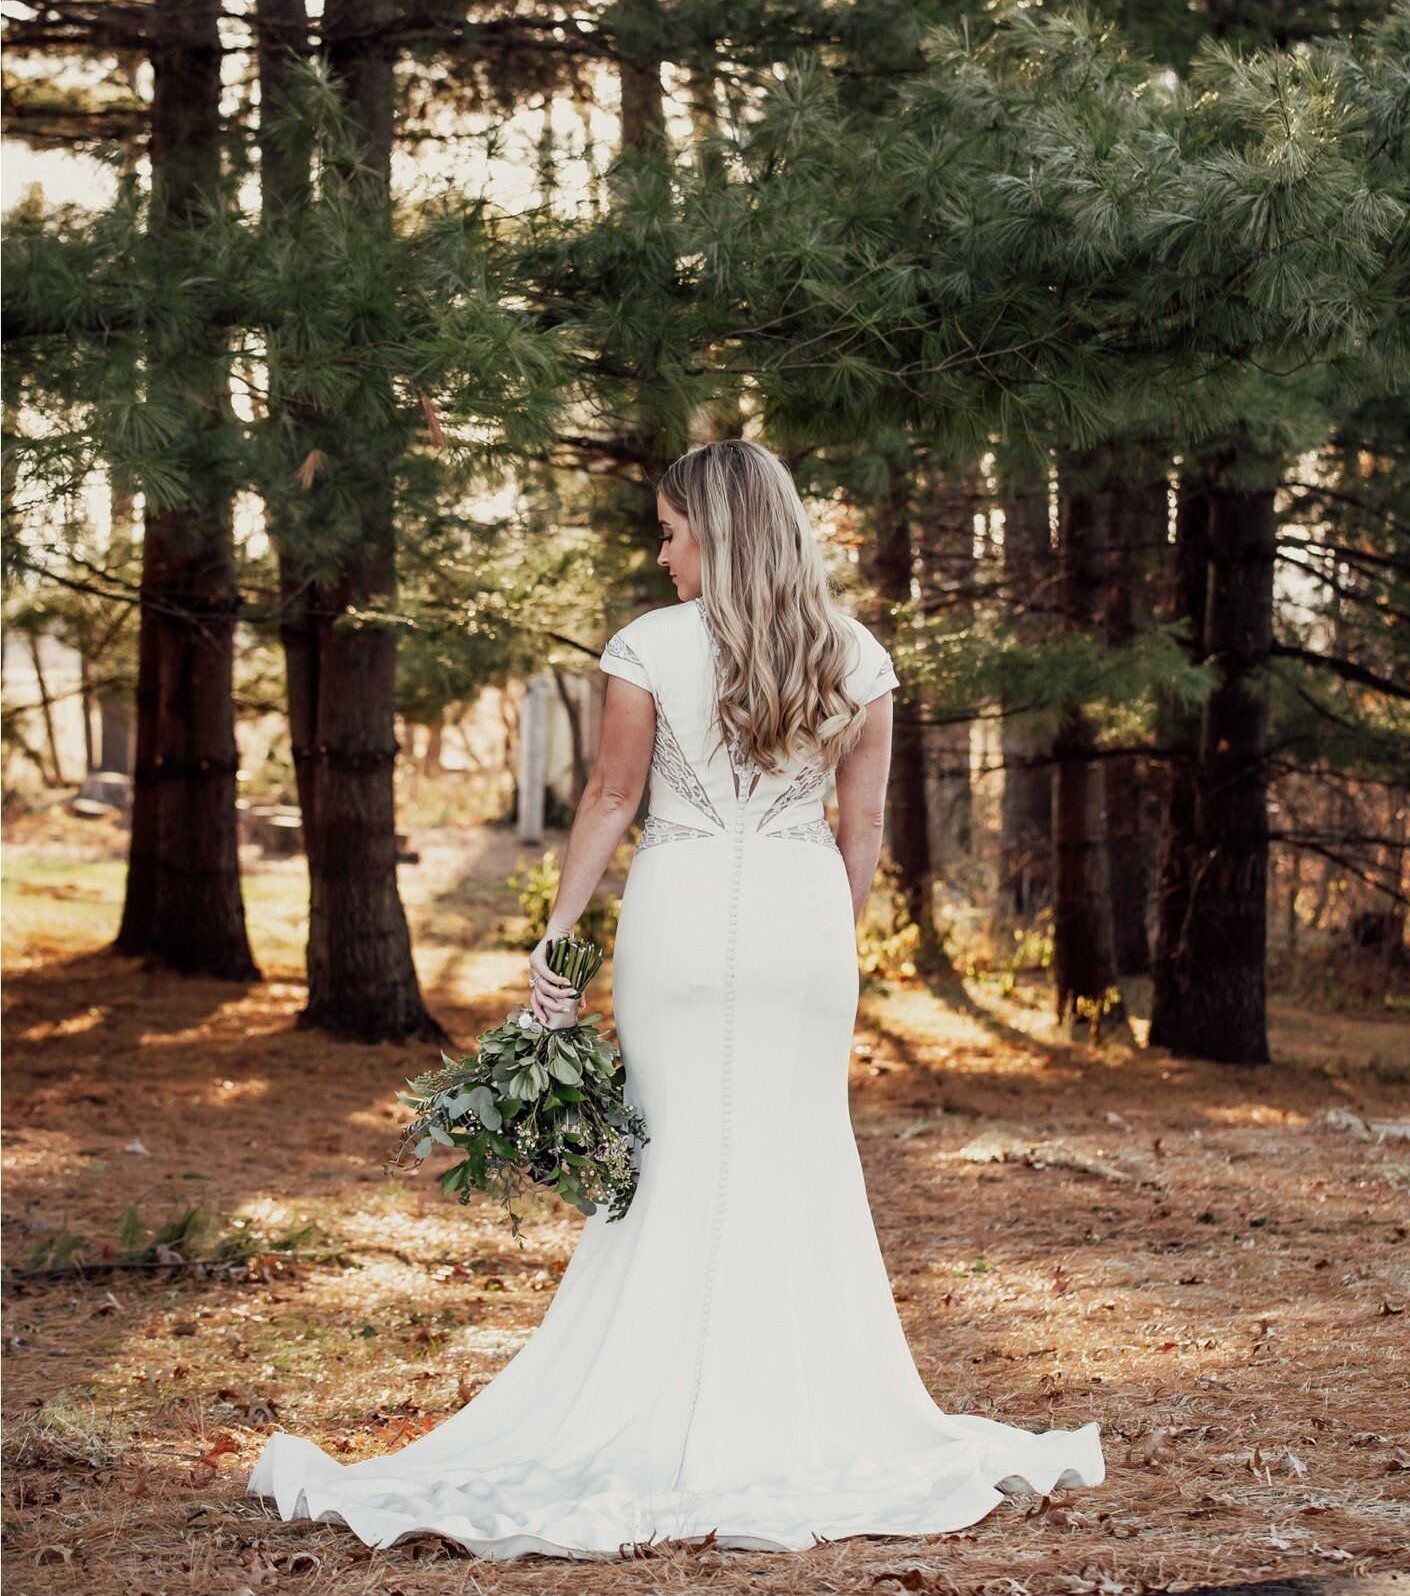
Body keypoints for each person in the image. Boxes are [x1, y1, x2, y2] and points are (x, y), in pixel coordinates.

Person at [247, 438, 1104, 1559]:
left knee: (672, 1155)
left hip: (685, 912)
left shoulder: (648, 648)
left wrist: (557, 944)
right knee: (796, 1151)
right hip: (804, 927)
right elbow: (860, 831)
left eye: (669, 530)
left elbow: (609, 798)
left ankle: (660, 1392)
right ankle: (794, 1400)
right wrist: (825, 948)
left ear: (717, 529)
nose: (660, 556)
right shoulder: (855, 655)